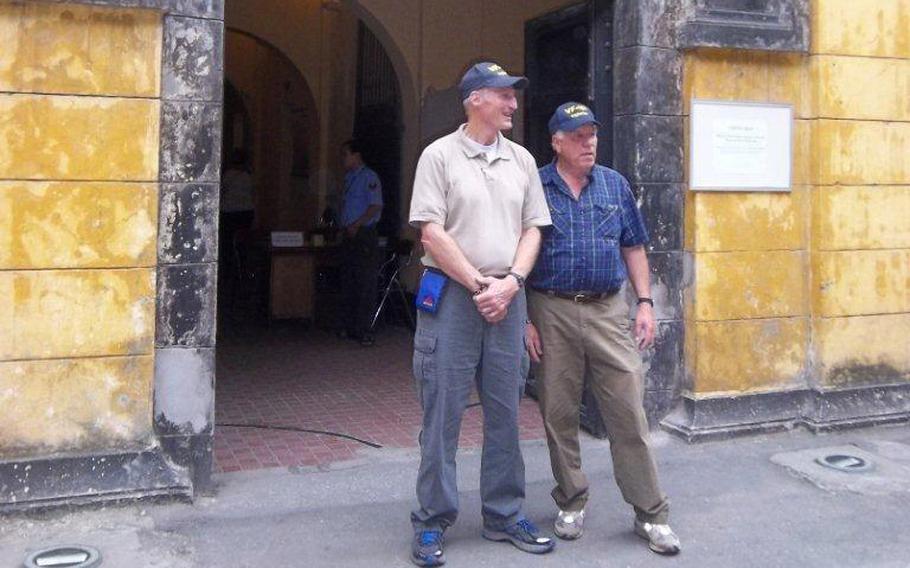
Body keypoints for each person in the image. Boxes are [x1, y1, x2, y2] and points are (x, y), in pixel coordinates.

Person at [407, 62, 555, 566]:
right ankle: (431, 520)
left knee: (507, 412)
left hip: (507, 299)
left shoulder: (522, 160)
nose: (513, 104)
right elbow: (430, 231)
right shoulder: (439, 156)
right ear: (474, 100)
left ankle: (504, 512)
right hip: (453, 297)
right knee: (442, 413)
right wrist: (478, 285)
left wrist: (511, 284)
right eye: (504, 95)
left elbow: (534, 228)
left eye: (514, 96)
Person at [524, 102, 681, 555]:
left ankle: (651, 512)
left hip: (608, 309)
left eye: (592, 133)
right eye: (577, 136)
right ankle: (571, 499)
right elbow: (517, 251)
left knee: (628, 410)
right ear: (556, 142)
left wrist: (645, 303)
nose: (589, 142)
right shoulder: (534, 185)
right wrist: (525, 320)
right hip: (550, 309)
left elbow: (634, 246)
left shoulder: (614, 184)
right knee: (558, 411)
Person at [338, 139, 383, 347]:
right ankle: (348, 325)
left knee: (365, 282)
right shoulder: (348, 178)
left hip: (363, 234)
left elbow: (375, 206)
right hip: (348, 233)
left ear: (356, 155)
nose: (343, 159)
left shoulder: (369, 177)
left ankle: (365, 330)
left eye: (346, 154)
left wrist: (357, 224)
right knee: (349, 280)